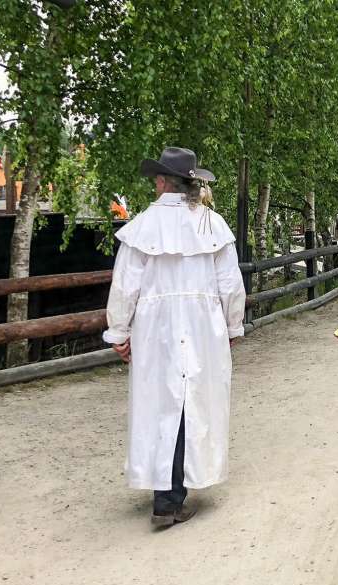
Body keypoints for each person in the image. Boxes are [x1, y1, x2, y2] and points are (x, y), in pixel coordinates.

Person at [103, 147, 246, 526]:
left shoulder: (143, 226)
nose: (154, 185)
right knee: (193, 403)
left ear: (165, 182)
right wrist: (232, 326)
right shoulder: (211, 225)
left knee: (159, 403)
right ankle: (171, 495)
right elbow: (231, 285)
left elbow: (124, 286)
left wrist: (119, 330)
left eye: (156, 180)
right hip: (202, 325)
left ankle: (165, 493)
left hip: (155, 328)